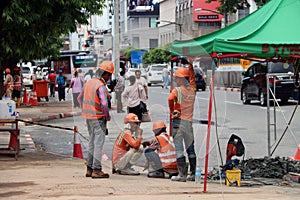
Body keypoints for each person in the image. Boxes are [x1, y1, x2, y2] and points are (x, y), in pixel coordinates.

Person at [82, 61, 114, 179]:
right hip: (99, 117)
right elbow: (104, 104)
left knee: (91, 142)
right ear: (105, 74)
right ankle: (97, 169)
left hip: (88, 117)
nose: (109, 78)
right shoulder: (100, 86)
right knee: (98, 144)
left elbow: (81, 98)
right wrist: (107, 116)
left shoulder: (88, 83)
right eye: (109, 75)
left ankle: (89, 169)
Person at [168, 57, 197, 182]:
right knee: (190, 148)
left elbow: (170, 99)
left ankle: (182, 175)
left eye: (177, 78)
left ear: (180, 79)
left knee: (179, 148)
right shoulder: (192, 90)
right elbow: (193, 79)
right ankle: (193, 174)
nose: (175, 79)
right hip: (188, 123)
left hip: (178, 122)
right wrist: (190, 66)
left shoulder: (177, 91)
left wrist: (172, 110)